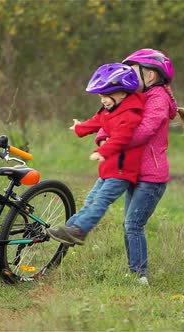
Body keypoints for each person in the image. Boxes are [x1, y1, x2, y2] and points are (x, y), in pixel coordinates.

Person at [95, 49, 184, 286]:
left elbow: (144, 131)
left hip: (151, 177)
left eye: (131, 72)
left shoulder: (159, 99)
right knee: (128, 223)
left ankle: (139, 275)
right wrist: (102, 136)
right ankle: (134, 272)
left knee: (134, 224)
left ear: (150, 76)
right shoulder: (135, 97)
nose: (126, 78)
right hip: (133, 173)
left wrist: (114, 142)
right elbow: (111, 117)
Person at [47, 63, 146, 246]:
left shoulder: (130, 115)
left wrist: (102, 151)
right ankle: (70, 228)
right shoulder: (110, 110)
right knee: (90, 200)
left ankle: (79, 231)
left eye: (107, 95)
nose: (103, 100)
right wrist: (79, 128)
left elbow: (121, 139)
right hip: (109, 169)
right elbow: (95, 122)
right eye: (101, 96)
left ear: (123, 93)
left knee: (100, 201)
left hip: (122, 171)